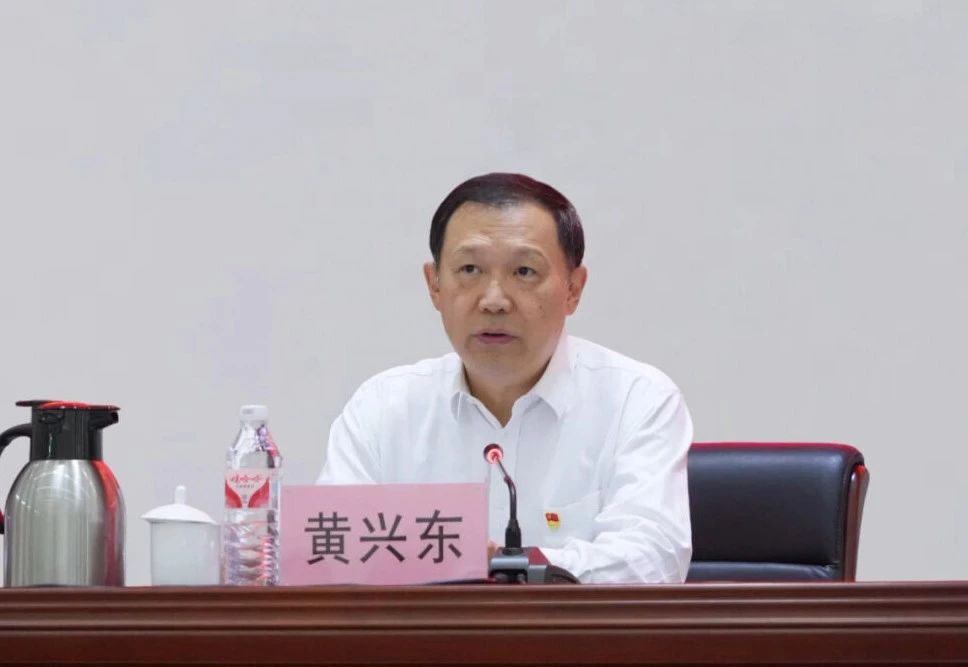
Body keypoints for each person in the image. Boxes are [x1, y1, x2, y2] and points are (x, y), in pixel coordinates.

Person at [317, 173, 692, 583]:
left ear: (573, 289)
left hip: (570, 630)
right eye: (470, 269)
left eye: (524, 271)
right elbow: (328, 559)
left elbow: (651, 559)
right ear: (434, 285)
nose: (494, 300)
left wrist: (507, 569)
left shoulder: (636, 400)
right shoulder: (381, 409)